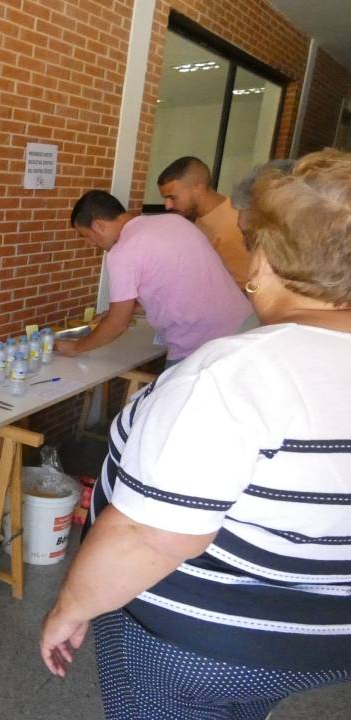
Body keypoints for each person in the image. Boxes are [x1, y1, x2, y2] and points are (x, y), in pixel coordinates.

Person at [39, 149, 351, 719]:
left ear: (263, 261)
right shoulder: (168, 224)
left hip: (205, 644)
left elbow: (149, 535)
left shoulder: (231, 375)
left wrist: (72, 604)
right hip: (321, 640)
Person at [58, 190, 254, 367]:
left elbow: (118, 324)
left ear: (99, 225)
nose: (92, 244)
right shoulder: (174, 222)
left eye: (87, 236)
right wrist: (130, 309)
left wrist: (76, 347)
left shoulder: (123, 251)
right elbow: (180, 286)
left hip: (202, 347)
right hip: (247, 328)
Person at [157, 155, 250, 286]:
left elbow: (245, 288)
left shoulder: (230, 228)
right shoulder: (196, 216)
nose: (167, 205)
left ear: (198, 189)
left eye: (172, 197)